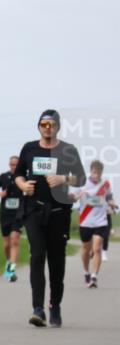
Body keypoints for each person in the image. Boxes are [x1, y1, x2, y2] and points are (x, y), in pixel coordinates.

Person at [13, 109, 85, 327]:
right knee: (37, 256)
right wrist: (23, 185)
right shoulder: (29, 148)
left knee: (56, 262)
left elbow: (80, 178)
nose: (47, 128)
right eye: (43, 124)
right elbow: (18, 174)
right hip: (34, 210)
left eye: (51, 124)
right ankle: (37, 309)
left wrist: (62, 178)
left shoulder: (68, 150)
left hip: (58, 212)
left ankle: (55, 306)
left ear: (58, 127)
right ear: (38, 126)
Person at [71, 160, 112, 288]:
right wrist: (77, 195)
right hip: (85, 221)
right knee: (85, 249)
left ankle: (94, 276)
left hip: (101, 221)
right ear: (91, 171)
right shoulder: (83, 183)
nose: (96, 175)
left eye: (99, 173)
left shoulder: (105, 184)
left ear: (101, 172)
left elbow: (109, 197)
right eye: (94, 172)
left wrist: (112, 203)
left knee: (97, 248)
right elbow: (72, 195)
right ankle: (86, 272)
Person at [0, 156, 24, 281]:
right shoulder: (3, 176)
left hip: (18, 213)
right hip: (5, 213)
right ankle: (8, 261)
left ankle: (11, 271)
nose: (13, 166)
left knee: (15, 240)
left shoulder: (23, 177)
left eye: (15, 164)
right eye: (11, 164)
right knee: (6, 244)